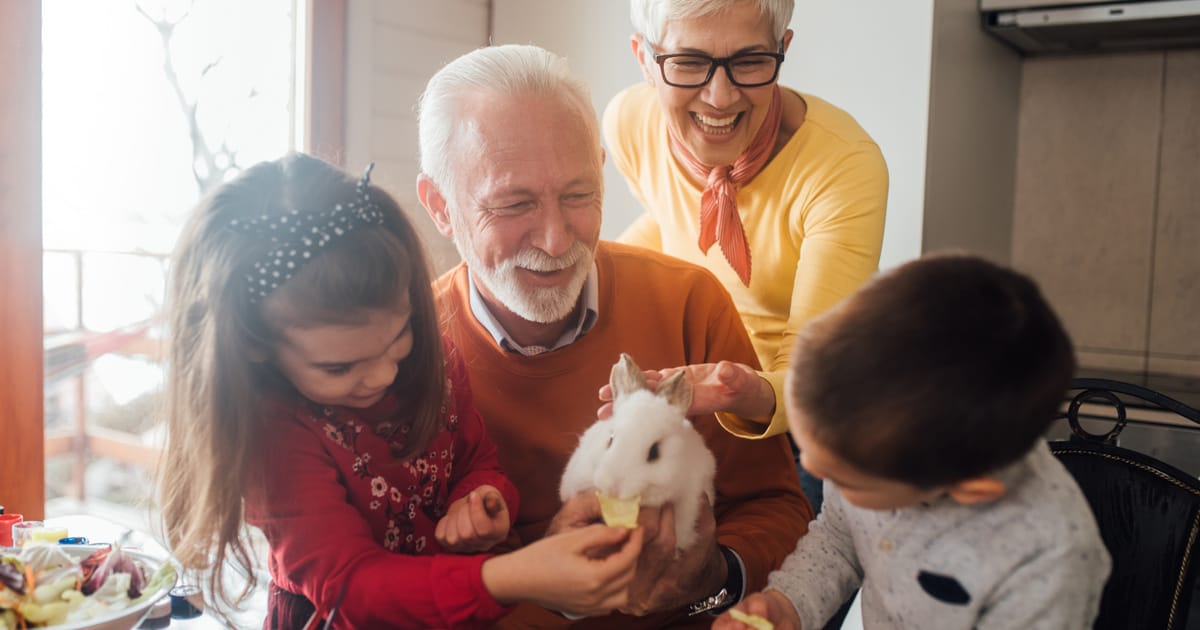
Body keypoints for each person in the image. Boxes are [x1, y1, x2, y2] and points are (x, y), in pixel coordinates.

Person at [157, 153, 646, 629]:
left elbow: (477, 459)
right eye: (339, 366)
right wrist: (516, 576)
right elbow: (354, 589)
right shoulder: (276, 437)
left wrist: (483, 500)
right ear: (256, 346)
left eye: (397, 340)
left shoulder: (430, 359)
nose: (382, 377)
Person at [415, 44, 812, 628]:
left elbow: (779, 509)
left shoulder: (688, 303)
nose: (556, 240)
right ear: (441, 208)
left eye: (578, 195)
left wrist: (707, 583)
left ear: (602, 168)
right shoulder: (401, 356)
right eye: (514, 203)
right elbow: (387, 581)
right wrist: (540, 588)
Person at [713, 253, 1112, 630]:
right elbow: (839, 539)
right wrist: (789, 602)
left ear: (967, 489)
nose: (813, 469)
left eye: (846, 481)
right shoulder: (867, 445)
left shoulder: (1046, 558)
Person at [601, 0, 889, 450]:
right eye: (689, 62)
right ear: (644, 59)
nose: (720, 96)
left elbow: (814, 374)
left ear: (782, 48)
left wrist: (747, 392)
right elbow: (668, 221)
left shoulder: (844, 164)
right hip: (683, 398)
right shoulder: (628, 123)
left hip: (801, 417)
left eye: (750, 61)